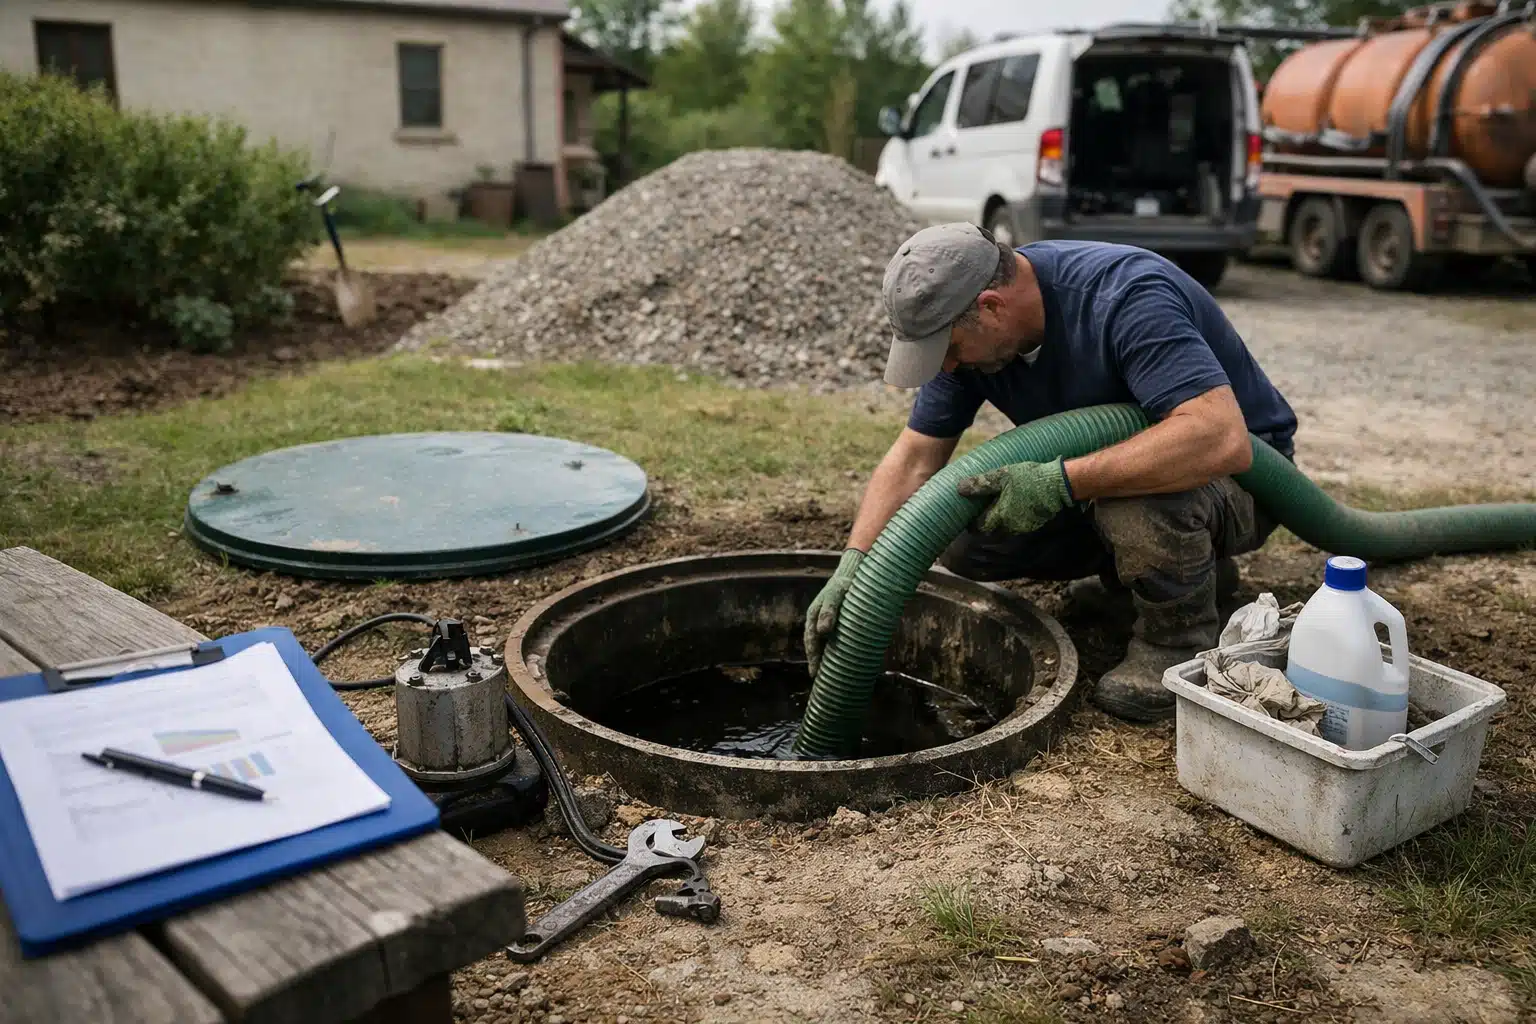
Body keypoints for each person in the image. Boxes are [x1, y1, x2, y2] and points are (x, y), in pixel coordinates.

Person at [804, 223, 1298, 722]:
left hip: (1243, 481)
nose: (947, 367)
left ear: (993, 307)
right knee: (964, 531)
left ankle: (1176, 644)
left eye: (950, 350)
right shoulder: (972, 337)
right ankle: (1153, 579)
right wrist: (855, 562)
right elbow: (915, 457)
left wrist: (1059, 482)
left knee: (1136, 503)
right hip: (1114, 478)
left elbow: (1221, 438)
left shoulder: (1125, 297)